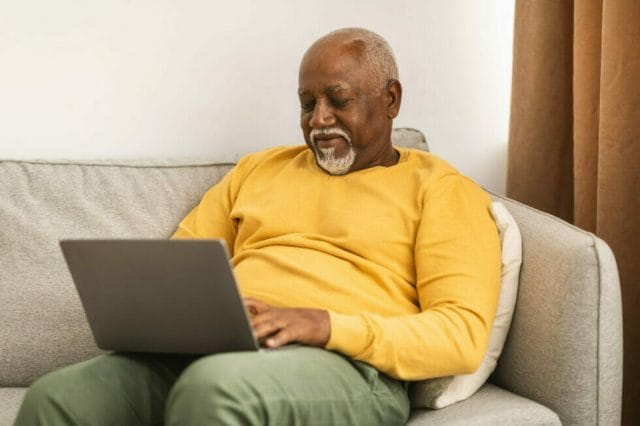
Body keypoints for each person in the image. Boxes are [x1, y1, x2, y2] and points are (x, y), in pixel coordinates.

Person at [15, 28, 501, 425]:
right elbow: (180, 267)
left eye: (338, 100)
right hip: (216, 351)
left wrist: (324, 325)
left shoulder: (441, 190)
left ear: (391, 99)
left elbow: (460, 336)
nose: (319, 120)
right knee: (58, 397)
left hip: (349, 368)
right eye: (307, 103)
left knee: (215, 391)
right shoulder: (259, 169)